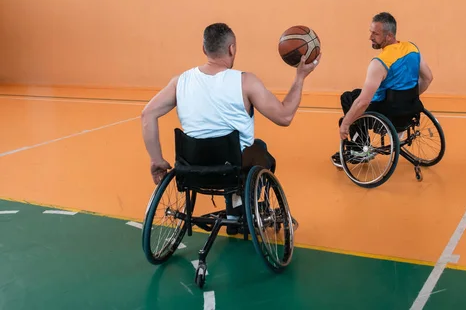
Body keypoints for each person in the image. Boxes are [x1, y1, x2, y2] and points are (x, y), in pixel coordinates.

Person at [141, 22, 320, 230]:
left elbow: (147, 114)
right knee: (259, 150)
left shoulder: (179, 82)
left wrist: (156, 160)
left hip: (190, 167)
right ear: (231, 49)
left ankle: (235, 213)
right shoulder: (245, 82)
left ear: (204, 49)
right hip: (231, 168)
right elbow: (285, 116)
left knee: (232, 155)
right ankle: (243, 209)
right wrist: (300, 78)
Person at [330, 12, 433, 168]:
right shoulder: (412, 49)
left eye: (375, 34)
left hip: (387, 112)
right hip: (410, 109)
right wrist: (408, 99)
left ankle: (360, 150)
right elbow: (428, 78)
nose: (370, 37)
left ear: (389, 36)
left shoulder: (379, 63)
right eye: (371, 32)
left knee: (349, 99)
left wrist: (345, 123)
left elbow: (363, 102)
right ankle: (396, 126)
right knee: (357, 95)